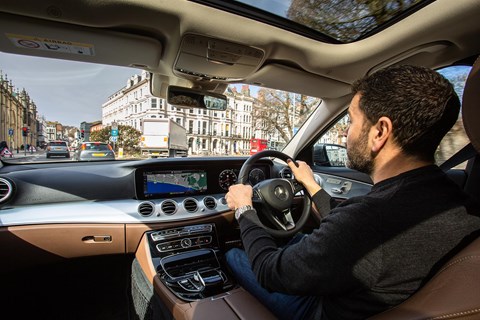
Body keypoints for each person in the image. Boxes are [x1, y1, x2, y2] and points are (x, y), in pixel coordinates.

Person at [224, 65, 480, 320]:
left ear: (379, 132)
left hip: (320, 310)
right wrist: (312, 186)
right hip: (361, 288)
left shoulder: (369, 221)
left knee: (233, 255)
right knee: (296, 242)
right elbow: (347, 231)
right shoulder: (455, 199)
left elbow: (269, 271)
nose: (346, 133)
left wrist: (245, 208)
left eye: (351, 120)